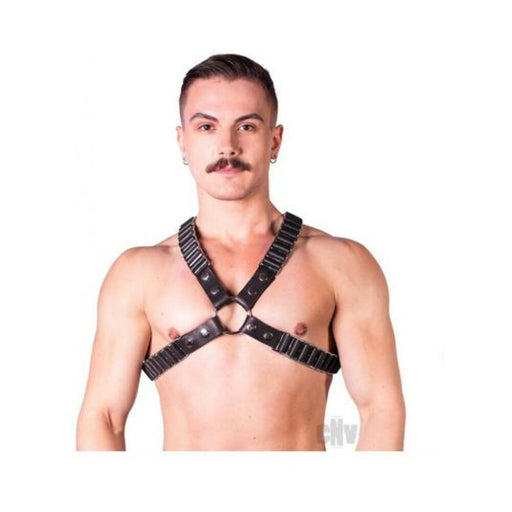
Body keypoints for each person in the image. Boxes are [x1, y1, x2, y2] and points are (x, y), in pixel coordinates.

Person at [76, 53, 405, 451]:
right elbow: (104, 417)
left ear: (274, 140)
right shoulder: (138, 274)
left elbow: (380, 409)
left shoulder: (341, 264)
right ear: (183, 141)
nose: (227, 146)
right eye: (207, 127)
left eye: (246, 126)